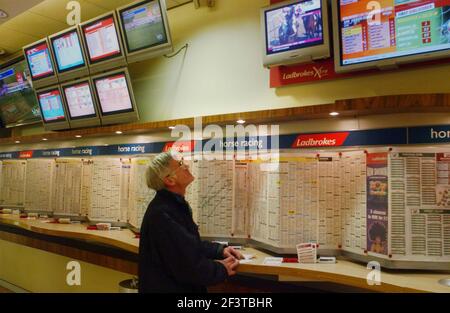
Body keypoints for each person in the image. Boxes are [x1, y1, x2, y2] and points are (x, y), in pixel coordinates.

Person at [139, 152, 243, 293]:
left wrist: (219, 250)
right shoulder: (163, 213)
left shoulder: (173, 206)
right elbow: (188, 265)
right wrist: (220, 269)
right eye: (180, 165)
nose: (186, 165)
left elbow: (188, 244)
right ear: (170, 180)